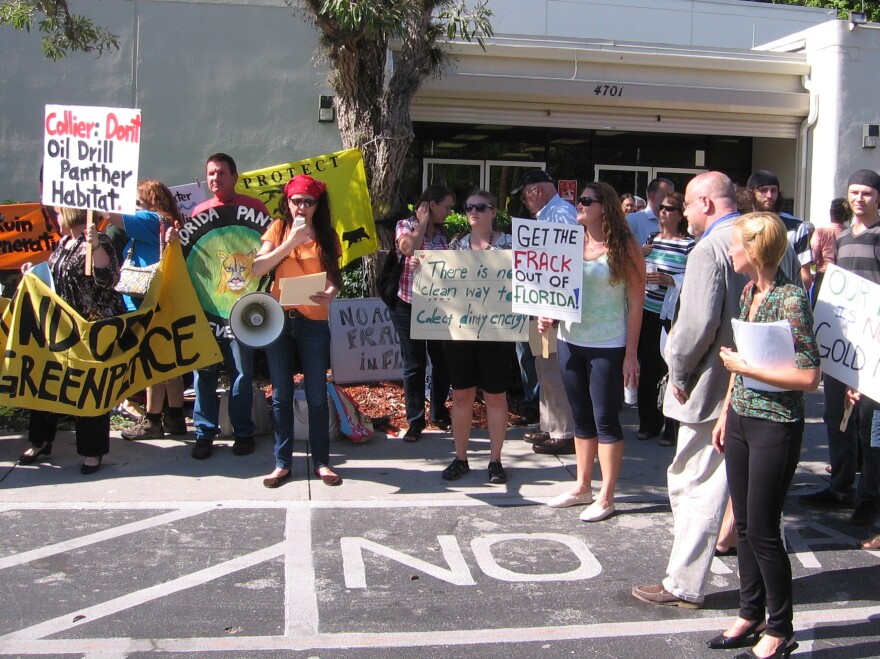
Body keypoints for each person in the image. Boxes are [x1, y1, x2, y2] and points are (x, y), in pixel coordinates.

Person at [632, 171, 802, 609]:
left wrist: (679, 373)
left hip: (713, 388)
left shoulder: (711, 247)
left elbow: (694, 327)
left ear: (706, 203)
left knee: (694, 483)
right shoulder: (768, 237)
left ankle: (684, 583)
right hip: (765, 387)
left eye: (685, 204)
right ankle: (760, 586)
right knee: (751, 496)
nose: (682, 212)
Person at [706, 212, 819, 659]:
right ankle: (750, 612)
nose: (730, 251)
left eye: (735, 244)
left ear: (753, 251)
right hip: (740, 418)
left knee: (766, 530)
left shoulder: (792, 299)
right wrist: (724, 411)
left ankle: (780, 627)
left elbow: (810, 376)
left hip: (777, 423)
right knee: (746, 527)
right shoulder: (750, 291)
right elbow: (741, 356)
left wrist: (747, 370)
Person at [541, 182, 644, 521]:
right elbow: (559, 290)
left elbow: (635, 304)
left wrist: (631, 354)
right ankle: (582, 486)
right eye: (579, 200)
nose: (578, 206)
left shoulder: (625, 246)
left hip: (609, 343)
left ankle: (607, 495)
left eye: (585, 201)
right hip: (570, 339)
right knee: (580, 416)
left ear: (605, 206)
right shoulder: (572, 242)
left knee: (605, 419)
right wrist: (548, 313)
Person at [18, 207, 126, 475]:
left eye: (58, 212)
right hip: (61, 327)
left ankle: (92, 451)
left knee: (88, 388)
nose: (55, 216)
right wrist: (33, 274)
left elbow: (109, 279)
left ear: (70, 213)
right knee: (48, 380)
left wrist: (96, 246)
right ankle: (40, 441)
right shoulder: (64, 242)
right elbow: (57, 279)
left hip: (90, 328)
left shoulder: (100, 241)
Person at [251, 174, 342, 488]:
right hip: (280, 321)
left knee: (317, 395)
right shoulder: (278, 229)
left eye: (308, 201)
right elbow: (257, 267)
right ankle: (281, 463)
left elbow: (334, 278)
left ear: (318, 205)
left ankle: (322, 463)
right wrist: (290, 242)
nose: (301, 207)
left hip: (314, 322)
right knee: (281, 395)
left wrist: (330, 292)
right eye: (296, 201)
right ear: (287, 203)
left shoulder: (327, 235)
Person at [801, 170, 880, 527]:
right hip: (842, 347)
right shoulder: (844, 239)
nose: (859, 199)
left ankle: (870, 496)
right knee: (837, 417)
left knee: (870, 424)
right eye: (854, 193)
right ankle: (841, 486)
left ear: (877, 197)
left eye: (866, 193)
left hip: (873, 349)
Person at [190, 153, 270, 460]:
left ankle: (243, 432)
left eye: (221, 172)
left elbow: (269, 253)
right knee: (204, 373)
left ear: (235, 176)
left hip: (242, 310)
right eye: (210, 173)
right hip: (208, 309)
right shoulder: (199, 211)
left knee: (241, 373)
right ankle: (204, 433)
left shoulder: (254, 208)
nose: (215, 178)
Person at [104, 179, 188, 440]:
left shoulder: (150, 220)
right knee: (169, 362)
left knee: (153, 363)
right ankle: (174, 417)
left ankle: (152, 420)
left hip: (145, 302)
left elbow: (112, 216)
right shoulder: (164, 221)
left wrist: (101, 193)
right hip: (160, 299)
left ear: (150, 200)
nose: (135, 205)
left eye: (138, 200)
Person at [440, 190, 514, 484]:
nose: (474, 211)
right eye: (469, 207)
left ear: (493, 211)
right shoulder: (455, 244)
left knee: (496, 395)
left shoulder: (509, 243)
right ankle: (461, 457)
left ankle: (495, 460)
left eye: (480, 207)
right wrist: (426, 271)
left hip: (498, 330)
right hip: (460, 331)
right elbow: (441, 281)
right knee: (461, 394)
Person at [509, 169, 577, 456]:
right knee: (543, 367)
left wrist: (556, 309)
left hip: (552, 310)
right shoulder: (551, 215)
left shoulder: (560, 215)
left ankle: (566, 432)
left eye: (525, 195)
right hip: (541, 306)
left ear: (536, 190)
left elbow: (566, 265)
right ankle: (551, 426)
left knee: (552, 369)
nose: (524, 201)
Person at [390, 184, 453, 442]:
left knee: (441, 361)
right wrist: (422, 222)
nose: (450, 212)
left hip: (438, 306)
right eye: (446, 207)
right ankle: (415, 420)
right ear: (430, 204)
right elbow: (407, 248)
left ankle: (438, 411)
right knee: (414, 363)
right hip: (407, 304)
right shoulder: (405, 225)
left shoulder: (442, 235)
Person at [636, 191, 694, 444]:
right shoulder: (651, 239)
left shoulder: (689, 244)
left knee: (672, 370)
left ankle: (672, 426)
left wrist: (669, 280)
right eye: (661, 207)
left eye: (670, 208)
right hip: (648, 310)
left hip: (672, 315)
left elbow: (695, 280)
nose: (663, 212)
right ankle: (649, 422)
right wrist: (640, 256)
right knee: (647, 369)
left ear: (681, 214)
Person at [747, 170, 814, 290]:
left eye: (773, 190)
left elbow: (805, 275)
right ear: (751, 193)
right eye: (763, 190)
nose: (769, 195)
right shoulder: (742, 225)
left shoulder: (797, 226)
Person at [810, 197, 849, 305]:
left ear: (831, 212)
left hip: (824, 275)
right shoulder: (849, 233)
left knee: (819, 312)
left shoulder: (821, 231)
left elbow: (813, 258)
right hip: (844, 279)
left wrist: (813, 271)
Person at [626, 178, 675, 248]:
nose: (671, 201)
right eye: (667, 196)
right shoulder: (632, 221)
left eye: (673, 197)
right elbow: (622, 252)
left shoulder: (674, 222)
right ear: (652, 196)